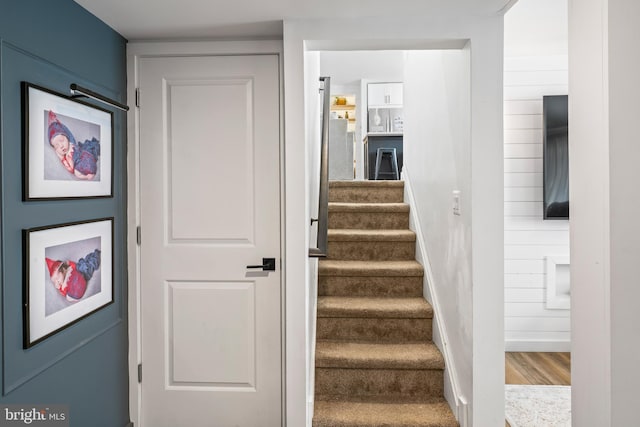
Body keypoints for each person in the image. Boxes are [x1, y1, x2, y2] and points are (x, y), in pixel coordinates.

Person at [47, 110, 100, 180]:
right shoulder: (64, 156)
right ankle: (87, 176)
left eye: (62, 140)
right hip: (79, 163)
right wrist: (60, 155)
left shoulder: (72, 148)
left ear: (68, 138)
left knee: (76, 172)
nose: (61, 146)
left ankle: (89, 174)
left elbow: (71, 168)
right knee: (76, 173)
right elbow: (69, 168)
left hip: (85, 158)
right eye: (56, 145)